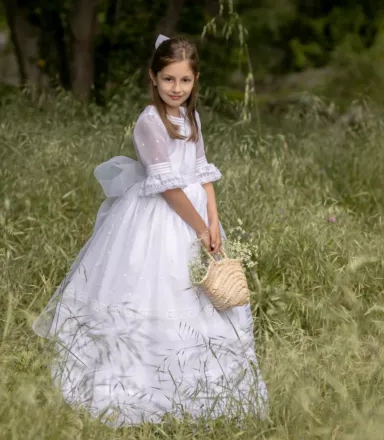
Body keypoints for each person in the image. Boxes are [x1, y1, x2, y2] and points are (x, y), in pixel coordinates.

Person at [32, 34, 268, 426]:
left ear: (195, 81)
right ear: (153, 78)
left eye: (185, 81)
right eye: (168, 80)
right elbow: (169, 187)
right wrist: (197, 227)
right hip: (161, 217)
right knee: (157, 291)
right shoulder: (150, 121)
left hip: (196, 216)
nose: (176, 89)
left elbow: (202, 172)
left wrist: (213, 221)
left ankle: (207, 390)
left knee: (208, 296)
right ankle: (144, 387)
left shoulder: (190, 117)